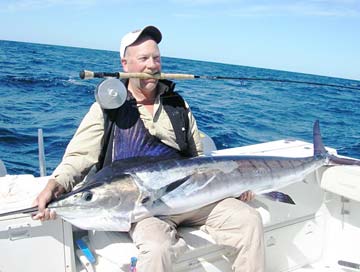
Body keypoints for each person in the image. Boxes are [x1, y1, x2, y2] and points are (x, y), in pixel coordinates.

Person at [33, 25, 265, 272]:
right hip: (143, 209)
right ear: (125, 64)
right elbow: (79, 157)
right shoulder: (108, 108)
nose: (152, 65)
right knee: (157, 247)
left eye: (156, 58)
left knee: (248, 220)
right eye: (143, 58)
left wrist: (234, 186)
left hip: (193, 199)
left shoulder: (178, 105)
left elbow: (199, 160)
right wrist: (55, 185)